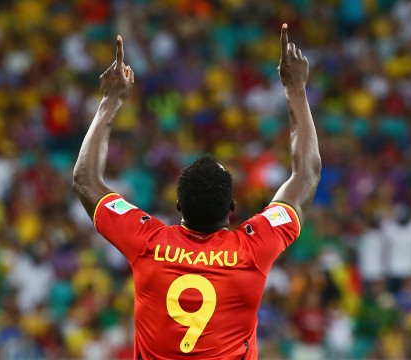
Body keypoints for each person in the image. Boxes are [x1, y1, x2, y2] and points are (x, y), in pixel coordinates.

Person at [72, 23, 322, 359]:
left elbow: (85, 180)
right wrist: (296, 89)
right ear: (232, 207)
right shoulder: (252, 249)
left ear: (178, 206)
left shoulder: (149, 242)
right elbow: (306, 174)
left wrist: (109, 101)